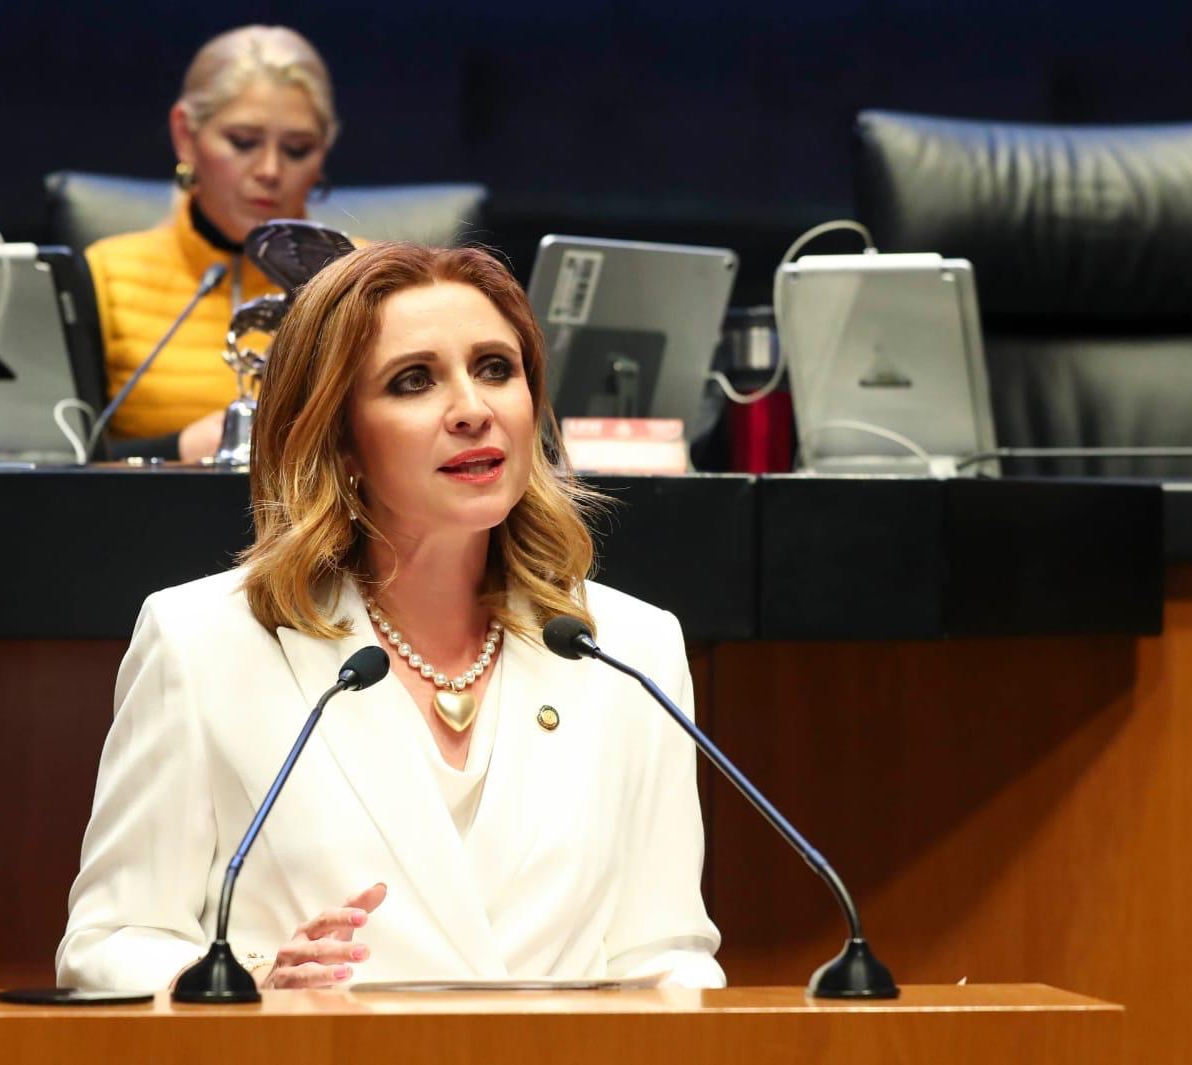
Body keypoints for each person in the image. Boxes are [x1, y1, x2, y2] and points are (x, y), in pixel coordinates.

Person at [57, 243, 724, 990]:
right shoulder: (204, 641)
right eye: (414, 381)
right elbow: (110, 943)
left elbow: (666, 958)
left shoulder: (630, 648)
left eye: (495, 369)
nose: (473, 410)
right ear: (338, 436)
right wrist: (248, 984)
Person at [86, 25, 337, 462]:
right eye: (243, 142)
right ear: (185, 136)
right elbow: (61, 456)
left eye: (298, 149)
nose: (270, 170)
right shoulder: (105, 276)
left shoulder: (365, 277)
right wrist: (179, 449)